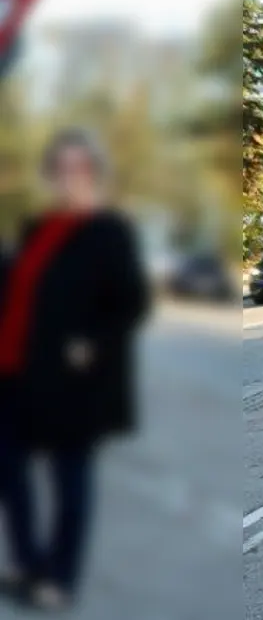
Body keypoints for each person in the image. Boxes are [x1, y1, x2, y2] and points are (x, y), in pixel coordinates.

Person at [0, 129, 149, 612]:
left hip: (73, 383)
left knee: (70, 482)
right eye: (61, 168)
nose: (70, 177)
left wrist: (92, 343)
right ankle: (28, 563)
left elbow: (130, 301)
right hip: (16, 374)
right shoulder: (37, 227)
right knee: (10, 471)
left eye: (79, 168)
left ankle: (58, 579)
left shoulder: (107, 230)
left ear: (94, 174)